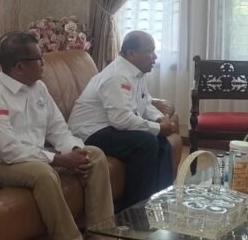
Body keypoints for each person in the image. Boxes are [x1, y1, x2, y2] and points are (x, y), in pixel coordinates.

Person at [0, 32, 113, 240]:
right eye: (39, 58)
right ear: (20, 67)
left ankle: (98, 234)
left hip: (34, 154)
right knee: (43, 173)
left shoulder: (39, 88)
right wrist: (58, 159)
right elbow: (10, 151)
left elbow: (58, 129)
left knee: (93, 154)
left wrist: (75, 150)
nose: (44, 63)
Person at [68, 31, 177, 210]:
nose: (155, 57)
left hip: (109, 126)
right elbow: (122, 120)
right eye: (150, 51)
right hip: (89, 132)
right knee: (146, 142)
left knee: (162, 142)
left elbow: (145, 102)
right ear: (131, 53)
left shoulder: (136, 73)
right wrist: (158, 127)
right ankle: (133, 209)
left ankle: (161, 202)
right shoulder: (117, 76)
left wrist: (161, 119)